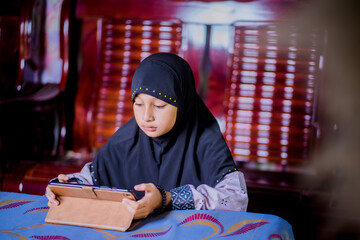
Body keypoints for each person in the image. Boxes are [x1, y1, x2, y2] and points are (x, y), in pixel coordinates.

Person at [46, 52, 248, 219]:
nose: (146, 117)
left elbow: (235, 199)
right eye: (138, 104)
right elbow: (94, 178)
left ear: (183, 103)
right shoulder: (126, 139)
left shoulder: (205, 140)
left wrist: (167, 198)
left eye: (159, 105)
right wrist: (67, 187)